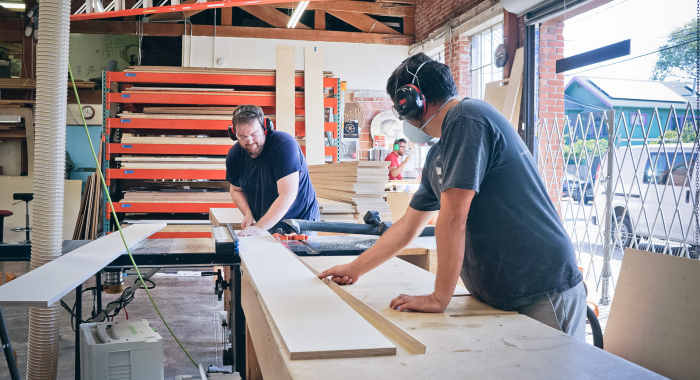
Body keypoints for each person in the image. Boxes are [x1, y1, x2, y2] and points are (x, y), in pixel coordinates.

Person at [318, 53, 587, 341]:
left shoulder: (467, 118)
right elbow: (409, 226)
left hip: (540, 289)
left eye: (399, 107)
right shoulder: (439, 153)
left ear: (412, 99)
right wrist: (355, 268)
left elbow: (454, 217)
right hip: (505, 294)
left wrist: (438, 298)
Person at [225, 105, 320, 237]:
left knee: (294, 257)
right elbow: (236, 190)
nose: (250, 141)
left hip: (299, 223)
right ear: (233, 133)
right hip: (268, 224)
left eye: (254, 134)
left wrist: (259, 227)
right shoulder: (234, 155)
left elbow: (287, 194)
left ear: (265, 127)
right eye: (243, 136)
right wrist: (248, 213)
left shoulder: (284, 145)